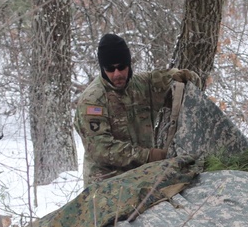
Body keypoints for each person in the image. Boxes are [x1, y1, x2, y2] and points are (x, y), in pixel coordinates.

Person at [75, 33, 197, 186]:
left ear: (129, 64)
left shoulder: (142, 85)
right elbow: (101, 149)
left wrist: (185, 77)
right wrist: (148, 156)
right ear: (102, 68)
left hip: (143, 178)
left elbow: (168, 80)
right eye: (110, 69)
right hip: (106, 185)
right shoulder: (92, 101)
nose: (117, 74)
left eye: (121, 67)